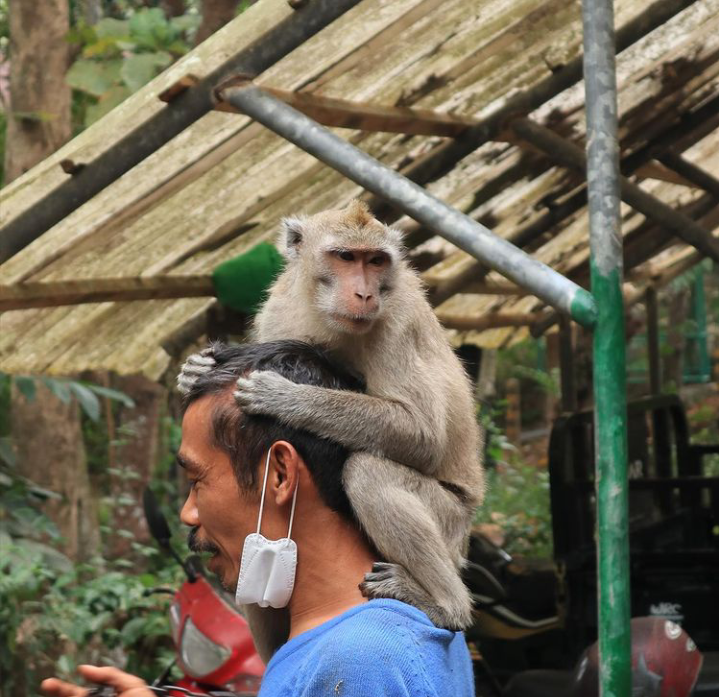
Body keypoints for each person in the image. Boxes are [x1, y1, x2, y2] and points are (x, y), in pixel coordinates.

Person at [42, 340, 475, 697]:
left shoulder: (359, 660)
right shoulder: (355, 639)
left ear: (280, 475)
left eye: (198, 480)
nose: (187, 512)